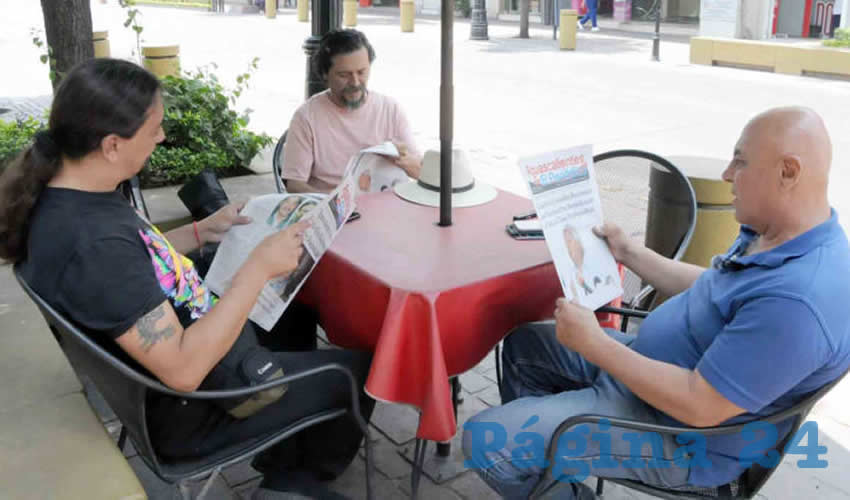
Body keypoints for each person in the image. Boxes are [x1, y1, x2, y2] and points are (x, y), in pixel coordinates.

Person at [0, 58, 374, 499]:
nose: (161, 136)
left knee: (294, 308)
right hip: (197, 407)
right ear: (112, 145)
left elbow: (138, 255)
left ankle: (283, 441)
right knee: (361, 369)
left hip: (188, 350)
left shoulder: (72, 194)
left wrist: (201, 231)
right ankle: (295, 480)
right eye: (153, 128)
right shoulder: (92, 247)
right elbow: (183, 370)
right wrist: (255, 270)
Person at [462, 107, 850, 499]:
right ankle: (549, 474)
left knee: (488, 443)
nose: (728, 174)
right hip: (651, 375)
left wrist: (594, 344)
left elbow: (701, 406)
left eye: (741, 161)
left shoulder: (799, 302)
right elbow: (714, 288)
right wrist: (630, 252)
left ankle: (537, 456)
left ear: (789, 172)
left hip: (682, 438)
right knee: (524, 347)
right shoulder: (778, 233)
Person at [282, 29, 422, 193]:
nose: (355, 82)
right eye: (344, 75)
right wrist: (339, 205)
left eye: (362, 72)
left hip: (384, 205)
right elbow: (295, 185)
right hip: (330, 206)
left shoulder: (390, 109)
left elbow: (420, 170)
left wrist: (410, 164)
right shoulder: (306, 117)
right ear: (325, 74)